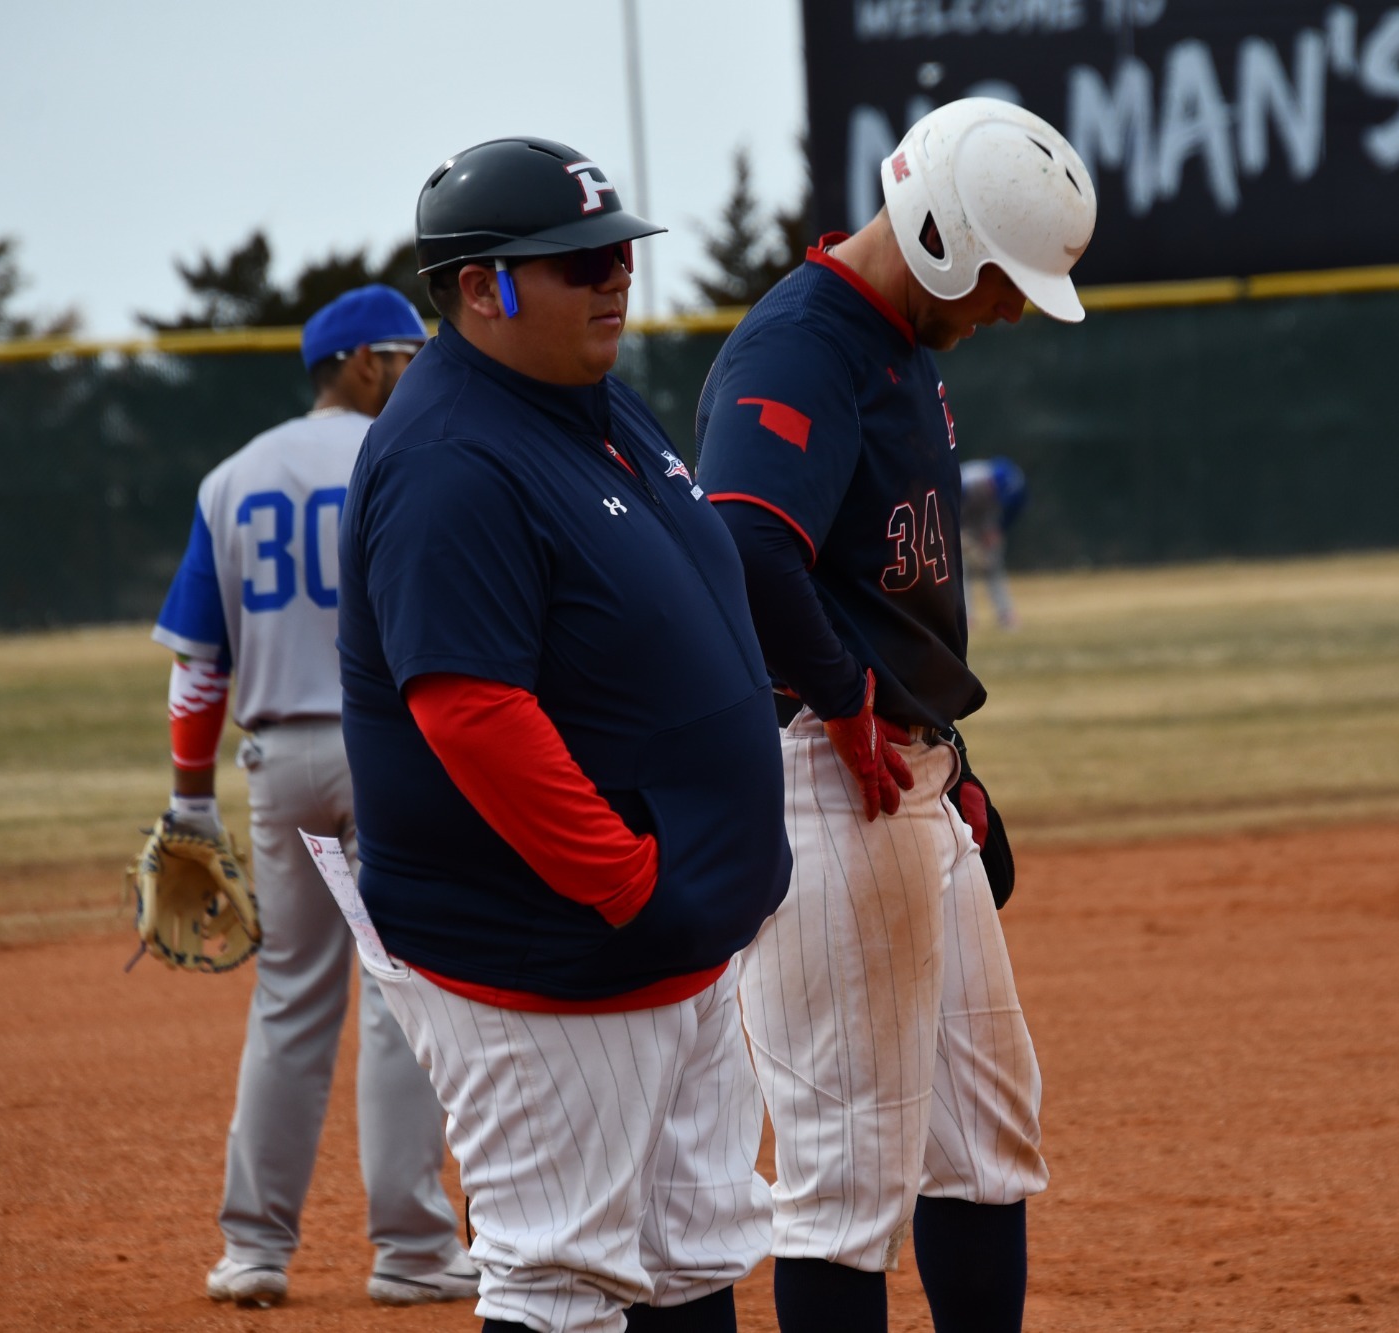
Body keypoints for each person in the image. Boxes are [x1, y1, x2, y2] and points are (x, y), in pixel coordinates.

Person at [335, 136, 791, 1333]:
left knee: (690, 1248)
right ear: (481, 287)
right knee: (560, 1274)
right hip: (550, 955)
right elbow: (470, 713)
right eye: (578, 261)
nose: (614, 277)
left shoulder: (584, 400)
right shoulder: (449, 457)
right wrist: (631, 885)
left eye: (618, 253)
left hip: (668, 941)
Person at [693, 98, 1096, 1333]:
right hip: (825, 777)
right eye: (1002, 279)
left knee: (983, 1138)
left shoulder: (898, 342)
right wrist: (844, 696)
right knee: (842, 1181)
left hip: (900, 771)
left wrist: (939, 749)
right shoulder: (798, 347)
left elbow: (869, 580)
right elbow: (743, 540)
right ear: (939, 236)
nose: (1010, 310)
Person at [149, 285, 480, 1309]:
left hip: (278, 767)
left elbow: (198, 666)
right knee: (395, 994)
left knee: (290, 996)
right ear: (364, 364)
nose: (420, 370)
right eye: (407, 355)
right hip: (389, 757)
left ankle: (253, 1247)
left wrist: (190, 800)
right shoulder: (412, 452)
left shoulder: (231, 477)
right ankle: (412, 1250)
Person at [958, 456, 1028, 630]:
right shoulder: (967, 481)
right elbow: (947, 506)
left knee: (993, 564)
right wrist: (959, 537)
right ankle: (965, 617)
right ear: (990, 482)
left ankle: (1006, 615)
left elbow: (1016, 507)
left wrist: (999, 530)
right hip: (961, 517)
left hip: (987, 519)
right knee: (960, 567)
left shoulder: (1016, 484)